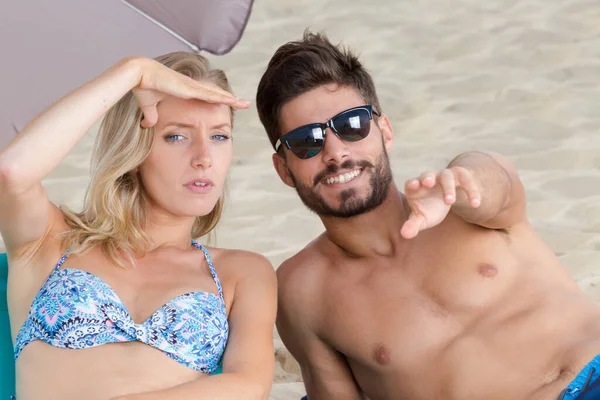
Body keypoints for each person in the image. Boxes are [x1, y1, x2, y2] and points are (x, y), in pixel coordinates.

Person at [255, 31, 600, 400]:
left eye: (352, 125)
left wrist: (461, 184)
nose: (337, 153)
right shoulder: (303, 290)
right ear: (284, 169)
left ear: (384, 131)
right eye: (308, 141)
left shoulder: (468, 201)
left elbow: (490, 180)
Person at [0, 52, 277, 400]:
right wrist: (133, 72)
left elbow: (249, 386)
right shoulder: (50, 242)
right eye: (176, 136)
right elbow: (11, 173)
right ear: (133, 147)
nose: (204, 157)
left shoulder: (241, 271)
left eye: (219, 136)